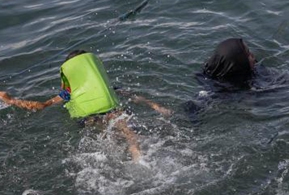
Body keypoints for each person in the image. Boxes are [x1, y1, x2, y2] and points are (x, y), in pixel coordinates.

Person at [0, 50, 169, 162]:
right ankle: (139, 162)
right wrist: (156, 106)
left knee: (106, 139)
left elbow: (42, 105)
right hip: (114, 112)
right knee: (130, 135)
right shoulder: (107, 89)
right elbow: (134, 97)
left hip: (89, 119)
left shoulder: (67, 93)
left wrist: (10, 100)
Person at [183, 38, 289, 123]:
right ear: (239, 62)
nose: (253, 56)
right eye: (248, 54)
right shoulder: (248, 83)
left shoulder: (209, 74)